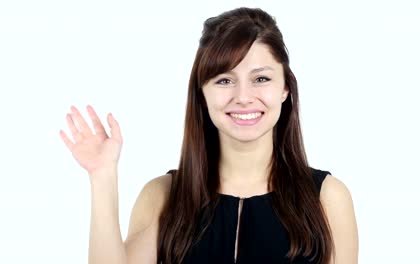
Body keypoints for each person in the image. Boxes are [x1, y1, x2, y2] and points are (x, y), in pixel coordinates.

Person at [59, 7, 358, 264]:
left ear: (285, 89)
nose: (243, 97)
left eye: (261, 79)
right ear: (202, 94)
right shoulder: (164, 196)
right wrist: (102, 177)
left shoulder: (327, 198)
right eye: (225, 80)